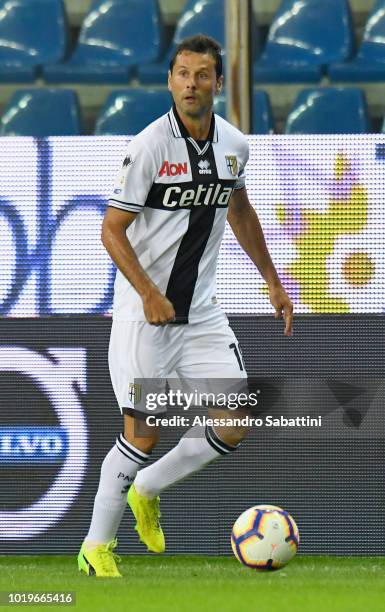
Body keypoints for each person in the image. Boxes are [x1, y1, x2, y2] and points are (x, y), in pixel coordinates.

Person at [77, 34, 293, 578]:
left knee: (237, 418)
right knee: (142, 432)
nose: (190, 84)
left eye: (202, 75)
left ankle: (147, 488)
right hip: (144, 318)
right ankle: (95, 547)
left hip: (200, 313)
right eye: (181, 74)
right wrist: (149, 292)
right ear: (170, 80)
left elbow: (239, 210)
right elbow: (111, 230)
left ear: (219, 83)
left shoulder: (234, 146)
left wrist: (272, 279)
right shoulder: (150, 146)